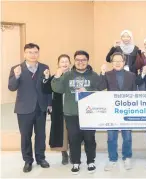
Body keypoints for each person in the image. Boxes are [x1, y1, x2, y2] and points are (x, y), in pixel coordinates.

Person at [51, 50, 104, 175]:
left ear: (87, 61)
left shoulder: (94, 75)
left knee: (89, 138)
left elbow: (100, 89)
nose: (81, 62)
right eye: (78, 60)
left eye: (83, 60)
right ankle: (76, 162)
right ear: (74, 61)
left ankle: (91, 161)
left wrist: (87, 91)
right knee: (74, 138)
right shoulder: (67, 75)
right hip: (71, 112)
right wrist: (57, 77)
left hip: (89, 113)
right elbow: (57, 89)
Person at [8, 43, 51, 173]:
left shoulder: (45, 67)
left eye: (35, 52)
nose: (33, 55)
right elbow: (11, 87)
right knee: (25, 136)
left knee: (41, 135)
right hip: (24, 108)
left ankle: (41, 158)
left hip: (40, 107)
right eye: (30, 52)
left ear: (39, 53)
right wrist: (16, 76)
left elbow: (48, 88)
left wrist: (49, 104)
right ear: (24, 54)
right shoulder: (16, 68)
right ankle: (28, 160)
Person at [100, 52, 137, 171]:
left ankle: (127, 157)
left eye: (119, 60)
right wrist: (101, 73)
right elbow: (100, 87)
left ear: (124, 62)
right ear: (111, 62)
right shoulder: (107, 74)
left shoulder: (131, 75)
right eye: (114, 60)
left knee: (127, 136)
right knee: (111, 137)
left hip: (126, 111)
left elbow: (134, 93)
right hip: (111, 111)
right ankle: (112, 159)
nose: (117, 62)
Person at [42, 54, 71, 165]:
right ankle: (64, 154)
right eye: (62, 62)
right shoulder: (55, 77)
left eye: (66, 61)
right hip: (59, 109)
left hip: (73, 109)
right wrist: (46, 77)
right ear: (58, 64)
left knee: (73, 133)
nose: (64, 63)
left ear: (70, 63)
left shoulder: (74, 76)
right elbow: (46, 90)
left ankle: (74, 153)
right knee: (62, 133)